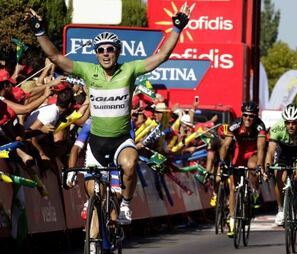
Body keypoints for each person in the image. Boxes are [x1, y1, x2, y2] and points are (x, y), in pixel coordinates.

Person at [25, 4, 192, 227]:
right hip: (96, 143)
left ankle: (125, 203)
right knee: (95, 194)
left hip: (121, 140)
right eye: (101, 49)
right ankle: (94, 233)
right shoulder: (88, 71)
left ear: (117, 52)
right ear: (96, 54)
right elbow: (55, 56)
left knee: (130, 165)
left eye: (110, 49)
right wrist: (39, 31)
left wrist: (177, 28)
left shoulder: (129, 70)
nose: (105, 53)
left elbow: (161, 56)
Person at [219, 101, 267, 236]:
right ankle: (232, 219)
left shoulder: (259, 126)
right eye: (245, 115)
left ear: (255, 116)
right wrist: (222, 161)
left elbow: (261, 148)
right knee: (233, 187)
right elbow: (225, 146)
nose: (248, 118)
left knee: (252, 167)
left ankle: (255, 191)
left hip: (252, 153)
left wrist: (260, 165)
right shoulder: (235, 124)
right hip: (239, 153)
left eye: (251, 116)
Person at [265, 103, 297, 231]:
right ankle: (281, 209)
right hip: (283, 153)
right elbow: (270, 151)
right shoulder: (277, 128)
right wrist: (267, 168)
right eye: (288, 122)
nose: (291, 126)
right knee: (279, 176)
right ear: (284, 121)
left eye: (294, 123)